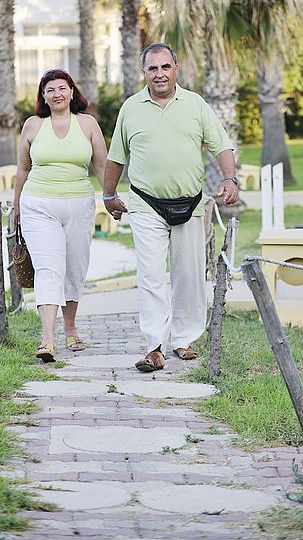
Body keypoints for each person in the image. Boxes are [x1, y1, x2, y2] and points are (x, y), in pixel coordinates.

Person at [103, 43, 239, 373]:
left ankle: (183, 339)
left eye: (165, 67)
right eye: (153, 69)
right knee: (150, 275)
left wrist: (231, 178)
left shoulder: (195, 104)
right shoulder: (131, 108)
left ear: (176, 68)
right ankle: (153, 346)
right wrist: (108, 196)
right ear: (144, 73)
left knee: (188, 275)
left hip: (190, 204)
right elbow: (116, 157)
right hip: (145, 203)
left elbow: (221, 144)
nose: (159, 74)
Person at [13, 69, 108, 362]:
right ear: (43, 96)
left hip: (79, 204)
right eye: (50, 89)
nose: (57, 94)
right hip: (39, 205)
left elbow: (103, 165)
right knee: (48, 268)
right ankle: (48, 339)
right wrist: (16, 208)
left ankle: (70, 328)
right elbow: (23, 170)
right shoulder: (32, 125)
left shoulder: (88, 123)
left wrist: (111, 197)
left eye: (62, 88)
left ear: (71, 92)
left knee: (75, 267)